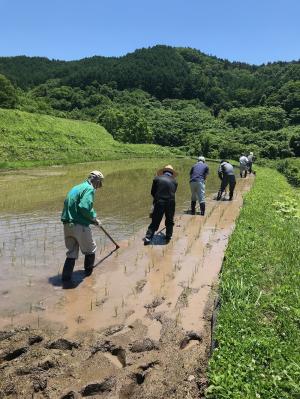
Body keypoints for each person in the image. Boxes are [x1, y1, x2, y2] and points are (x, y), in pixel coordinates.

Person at [61, 170, 104, 283]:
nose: (99, 186)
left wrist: (92, 219)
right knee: (90, 250)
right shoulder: (89, 189)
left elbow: (73, 205)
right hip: (79, 225)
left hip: (67, 224)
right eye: (99, 183)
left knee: (71, 253)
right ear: (96, 180)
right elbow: (84, 207)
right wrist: (94, 219)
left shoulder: (77, 187)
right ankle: (88, 277)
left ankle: (65, 280)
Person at [144, 165, 178, 245]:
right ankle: (168, 236)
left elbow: (153, 192)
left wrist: (157, 199)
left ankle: (148, 237)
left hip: (160, 201)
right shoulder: (175, 182)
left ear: (163, 172)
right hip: (171, 202)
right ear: (171, 173)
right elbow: (173, 192)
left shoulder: (157, 178)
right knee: (170, 219)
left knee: (155, 219)